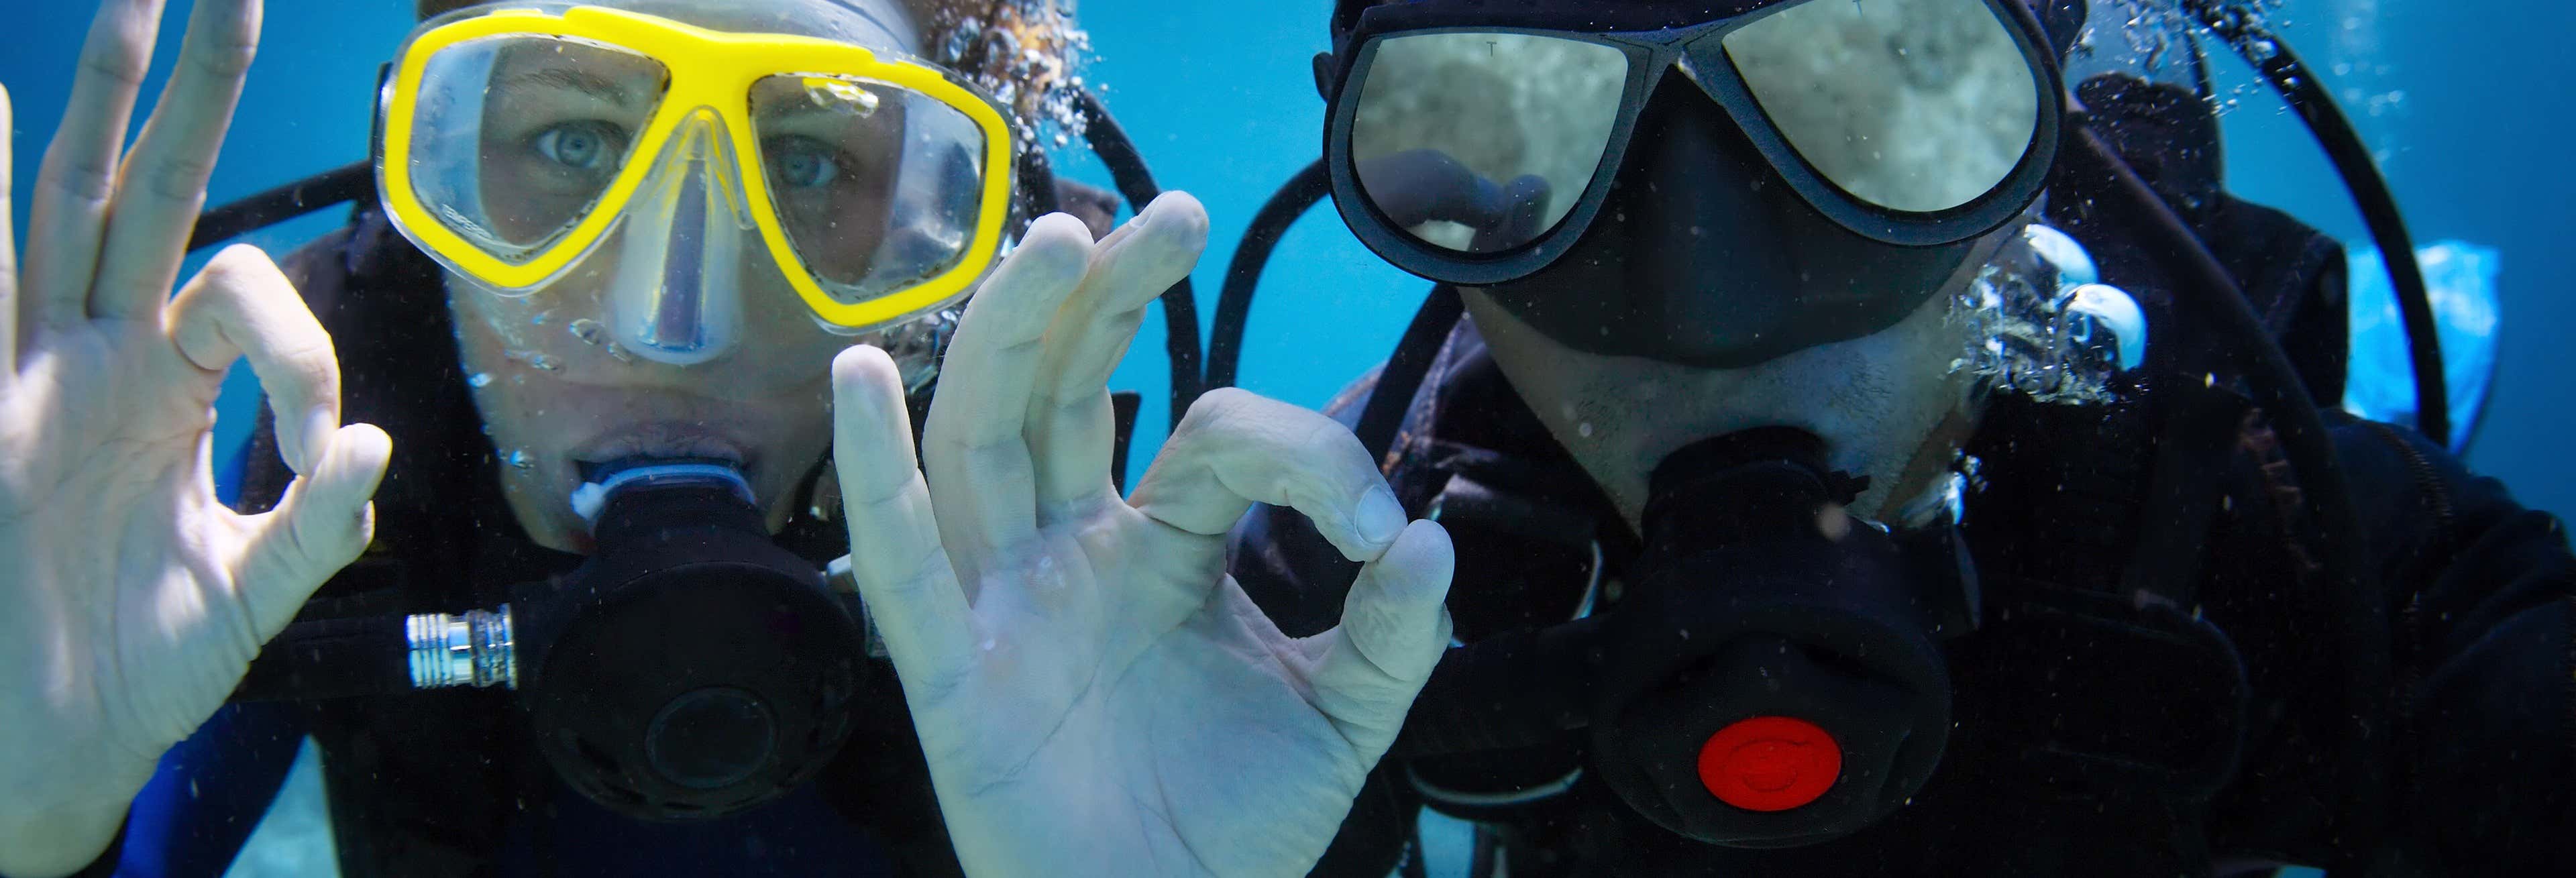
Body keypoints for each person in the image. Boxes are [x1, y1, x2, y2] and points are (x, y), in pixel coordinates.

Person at [0, 1, 1456, 877]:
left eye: (811, 159)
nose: (668, 318)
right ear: (428, 188)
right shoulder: (336, 486)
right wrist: (31, 815)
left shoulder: (1054, 565)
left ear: (954, 266)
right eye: (572, 141)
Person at [1226, 0, 2576, 874]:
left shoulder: (2266, 520)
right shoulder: (1359, 556)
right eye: (1507, 126)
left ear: (2041, 118)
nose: (1712, 308)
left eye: (1861, 95)